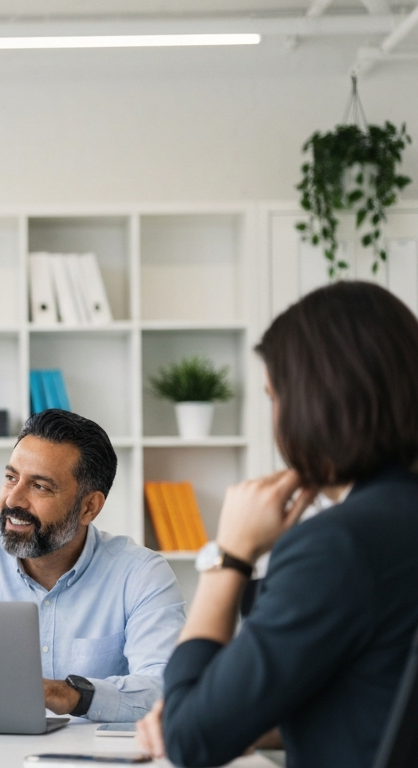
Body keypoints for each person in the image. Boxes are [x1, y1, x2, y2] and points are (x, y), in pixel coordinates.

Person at [135, 282, 418, 768]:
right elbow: (381, 696)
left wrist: (230, 555)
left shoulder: (338, 545)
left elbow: (187, 739)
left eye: (273, 397)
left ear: (315, 402)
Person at [0, 409, 185, 723]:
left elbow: (167, 686)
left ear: (89, 507)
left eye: (40, 486)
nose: (13, 500)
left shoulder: (141, 574)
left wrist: (72, 695)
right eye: (10, 478)